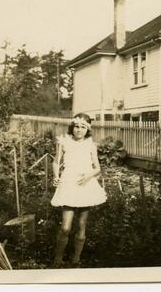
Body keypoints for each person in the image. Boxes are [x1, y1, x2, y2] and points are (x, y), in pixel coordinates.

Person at [51, 113, 107, 268]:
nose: (79, 130)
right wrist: (56, 175)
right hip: (69, 184)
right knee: (65, 227)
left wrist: (88, 176)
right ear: (72, 127)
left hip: (85, 185)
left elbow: (97, 168)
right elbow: (56, 162)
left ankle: (76, 259)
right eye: (76, 126)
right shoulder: (63, 142)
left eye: (83, 127)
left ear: (87, 129)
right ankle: (58, 258)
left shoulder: (90, 145)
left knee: (81, 225)